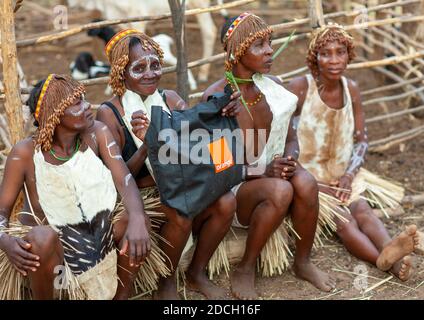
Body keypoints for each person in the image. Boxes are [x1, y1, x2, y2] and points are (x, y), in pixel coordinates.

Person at [96, 29, 240, 299]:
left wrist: (220, 116)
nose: (150, 73)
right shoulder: (110, 112)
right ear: (121, 73)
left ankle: (197, 272)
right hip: (140, 196)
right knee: (180, 209)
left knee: (227, 201)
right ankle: (166, 281)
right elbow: (116, 178)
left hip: (180, 182)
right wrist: (150, 143)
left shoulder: (170, 99)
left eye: (155, 65)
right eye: (139, 68)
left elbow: (196, 146)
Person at [202, 13, 336, 299]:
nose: (269, 50)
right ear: (237, 51)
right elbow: (220, 164)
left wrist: (290, 158)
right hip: (236, 190)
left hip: (272, 175)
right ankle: (246, 268)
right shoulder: (216, 97)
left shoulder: (272, 86)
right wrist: (264, 172)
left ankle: (303, 262)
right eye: (259, 45)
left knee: (306, 182)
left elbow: (290, 136)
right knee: (280, 188)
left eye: (270, 42)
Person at [0, 74, 152, 300]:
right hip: (58, 264)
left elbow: (124, 181)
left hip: (101, 242)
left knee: (136, 219)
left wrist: (139, 217)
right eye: (77, 103)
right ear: (54, 114)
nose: (88, 105)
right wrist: (5, 241)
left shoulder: (97, 133)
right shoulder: (25, 154)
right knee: (41, 237)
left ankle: (120, 295)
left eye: (83, 98)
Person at [288, 24, 420, 280]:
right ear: (314, 57)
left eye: (341, 52)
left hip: (342, 177)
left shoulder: (352, 89)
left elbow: (361, 141)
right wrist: (311, 182)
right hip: (308, 182)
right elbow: (282, 142)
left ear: (349, 55)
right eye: (326, 53)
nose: (335, 60)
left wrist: (348, 176)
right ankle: (384, 261)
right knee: (345, 222)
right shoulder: (301, 88)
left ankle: (389, 250)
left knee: (364, 212)